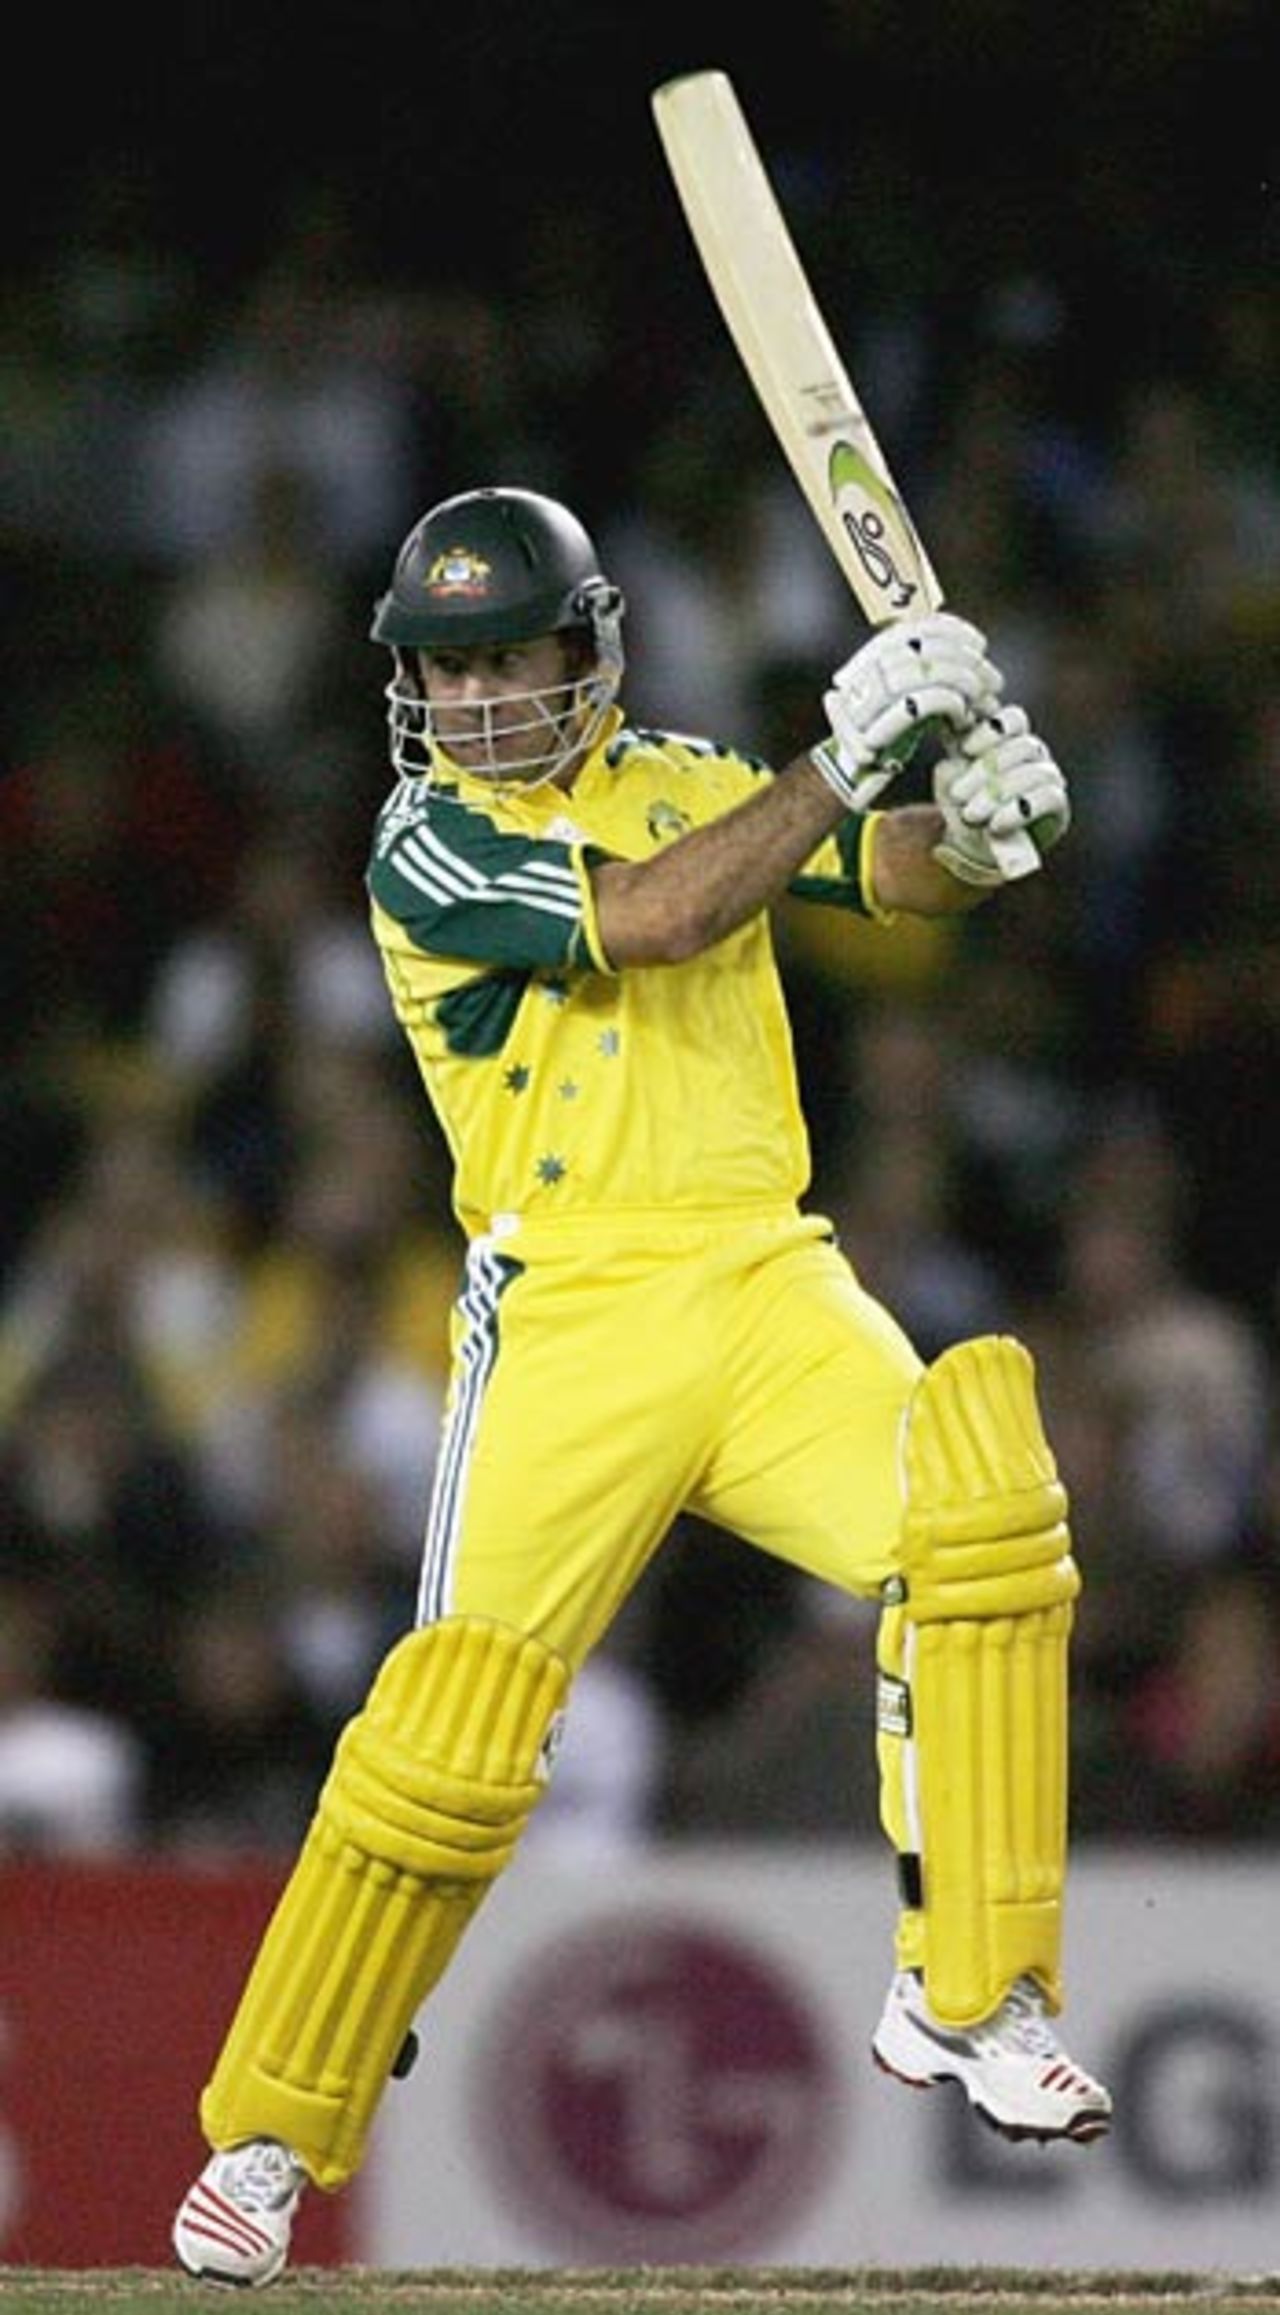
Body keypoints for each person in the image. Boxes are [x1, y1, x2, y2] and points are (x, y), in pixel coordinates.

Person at [172, 485, 1110, 2286]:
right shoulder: (422, 844)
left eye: (502, 661)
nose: (469, 703)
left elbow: (866, 872)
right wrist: (846, 764)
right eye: (439, 672)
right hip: (569, 1318)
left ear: (587, 651)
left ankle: (975, 1996)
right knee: (446, 1746)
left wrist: (976, 833)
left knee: (984, 1516)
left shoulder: (692, 770)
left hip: (764, 1279)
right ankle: (275, 2139)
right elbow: (663, 918)